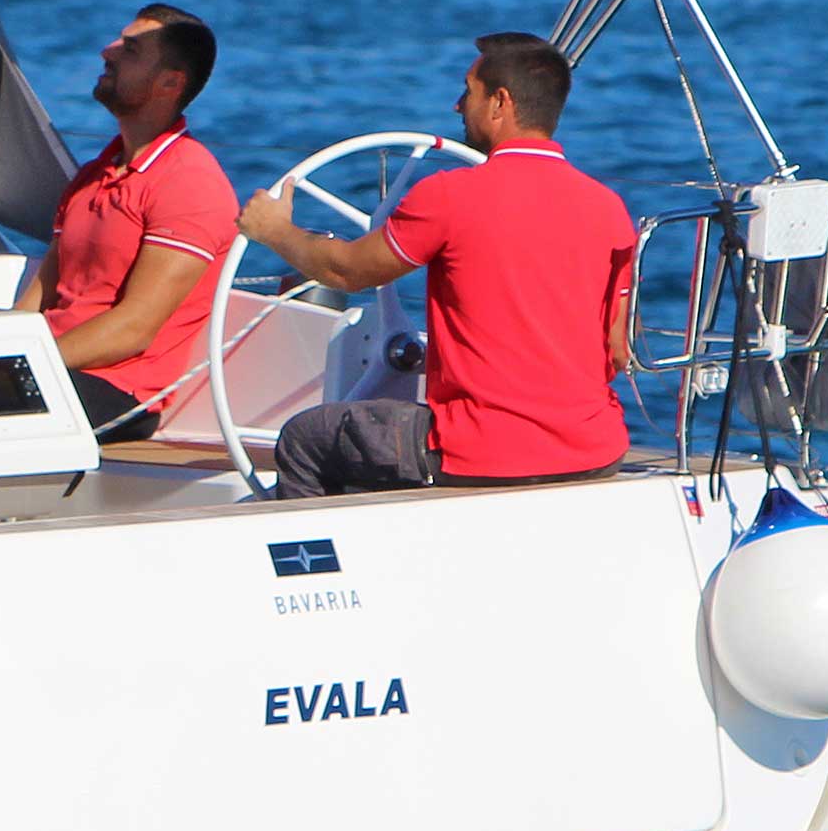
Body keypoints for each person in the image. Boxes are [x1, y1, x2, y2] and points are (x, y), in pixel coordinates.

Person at [236, 33, 638, 498]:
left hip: (479, 450)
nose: (457, 105)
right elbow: (617, 348)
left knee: (307, 439)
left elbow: (346, 272)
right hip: (594, 449)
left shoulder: (449, 195)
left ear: (499, 103)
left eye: (468, 92)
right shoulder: (609, 209)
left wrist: (276, 231)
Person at [19, 5, 232, 445]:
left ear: (169, 83)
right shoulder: (94, 174)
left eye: (130, 50)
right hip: (54, 368)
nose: (107, 51)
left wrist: (21, 363)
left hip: (118, 391)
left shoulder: (188, 182)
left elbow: (133, 330)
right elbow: (43, 294)